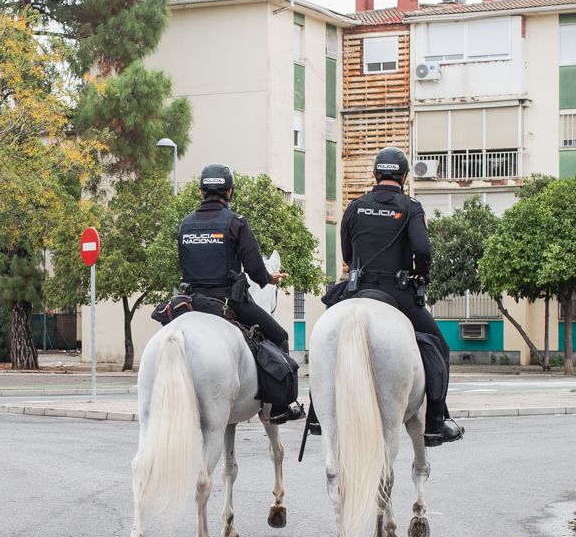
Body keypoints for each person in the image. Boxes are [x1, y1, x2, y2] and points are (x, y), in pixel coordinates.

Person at [316, 146, 463, 446]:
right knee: (441, 348)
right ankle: (436, 422)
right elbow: (422, 250)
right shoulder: (411, 208)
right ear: (404, 177)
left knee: (326, 338)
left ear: (374, 175)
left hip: (357, 290)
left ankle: (318, 416)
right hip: (397, 295)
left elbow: (347, 253)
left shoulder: (355, 207)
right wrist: (421, 274)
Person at [177, 163, 304, 424]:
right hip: (228, 302)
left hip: (190, 303)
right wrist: (270, 278)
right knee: (280, 335)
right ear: (230, 192)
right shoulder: (236, 223)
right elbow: (256, 271)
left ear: (201, 192)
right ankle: (280, 405)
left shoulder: (185, 225)